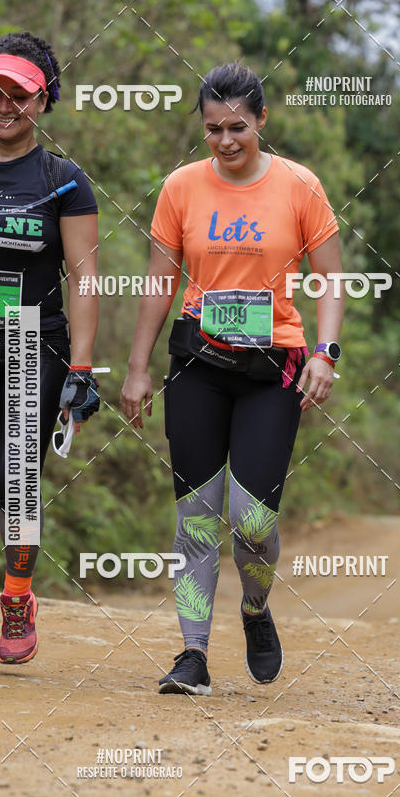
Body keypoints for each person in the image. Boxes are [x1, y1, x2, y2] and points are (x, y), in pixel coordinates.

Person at [121, 61, 344, 695]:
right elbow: (159, 283)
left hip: (274, 365)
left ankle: (253, 606)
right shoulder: (180, 188)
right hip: (196, 363)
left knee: (251, 521)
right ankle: (192, 653)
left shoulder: (300, 187)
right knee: (194, 515)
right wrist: (137, 369)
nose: (226, 140)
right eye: (214, 128)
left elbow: (329, 280)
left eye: (239, 127)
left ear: (262, 122)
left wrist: (326, 353)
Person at [0, 31, 100, 673]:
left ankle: (20, 598)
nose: (4, 105)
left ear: (44, 100)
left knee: (18, 485)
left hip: (34, 341)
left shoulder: (63, 181)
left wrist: (82, 369)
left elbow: (85, 278)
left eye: (19, 94)